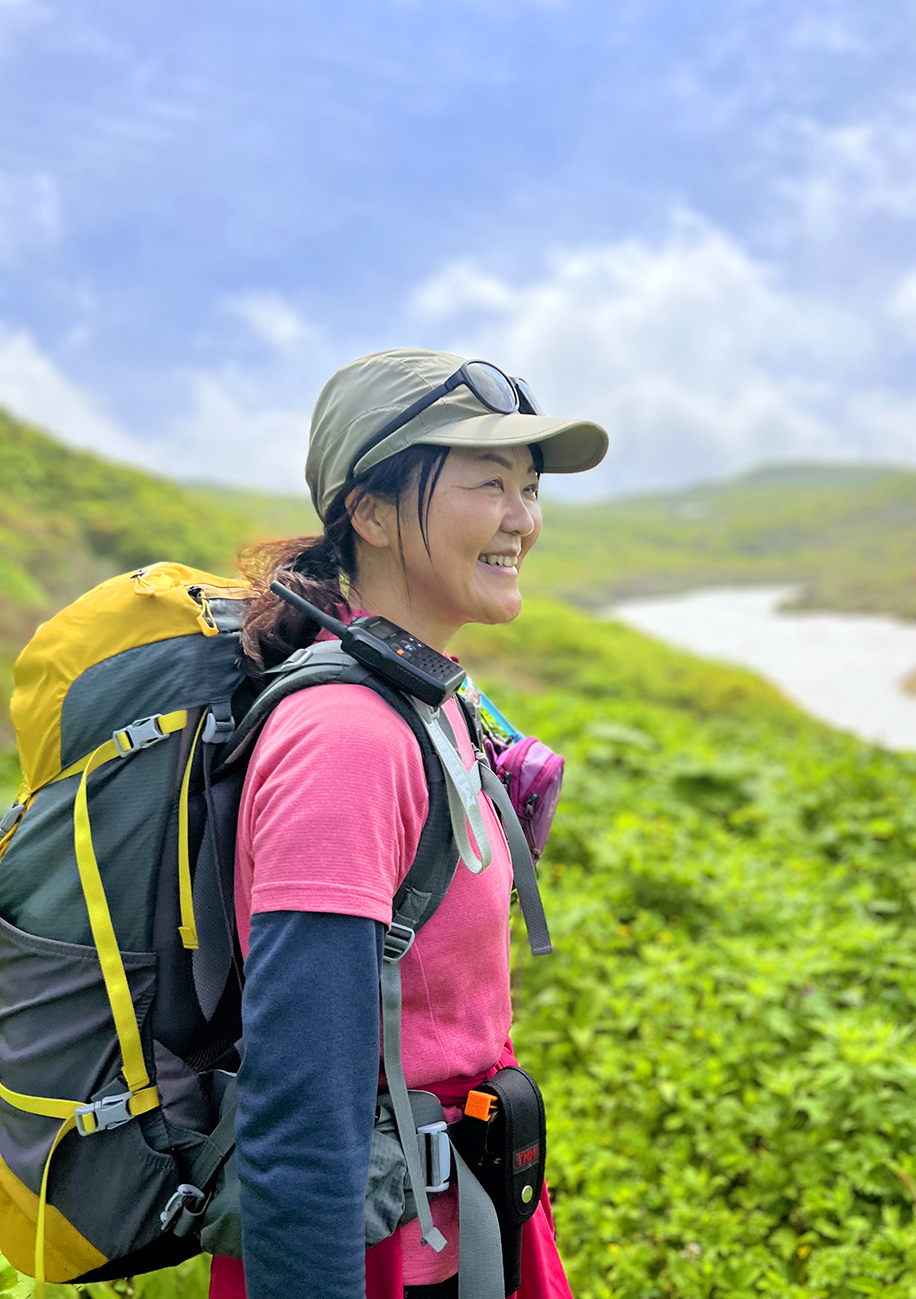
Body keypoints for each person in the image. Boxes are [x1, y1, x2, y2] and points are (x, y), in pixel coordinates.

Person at [208, 348, 608, 1299]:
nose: (523, 518)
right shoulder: (347, 737)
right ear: (372, 511)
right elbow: (301, 1109)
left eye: (529, 486)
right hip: (383, 1257)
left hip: (463, 1223)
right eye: (487, 482)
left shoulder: (428, 696)